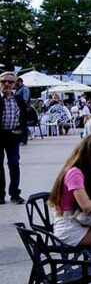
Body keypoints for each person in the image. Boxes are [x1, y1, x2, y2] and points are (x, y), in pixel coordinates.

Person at [0, 71, 27, 204]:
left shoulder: (18, 99)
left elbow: (23, 117)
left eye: (10, 82)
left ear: (15, 84)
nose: (6, 84)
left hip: (13, 135)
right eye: (3, 81)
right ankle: (0, 194)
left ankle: (15, 194)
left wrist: (21, 132)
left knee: (14, 164)